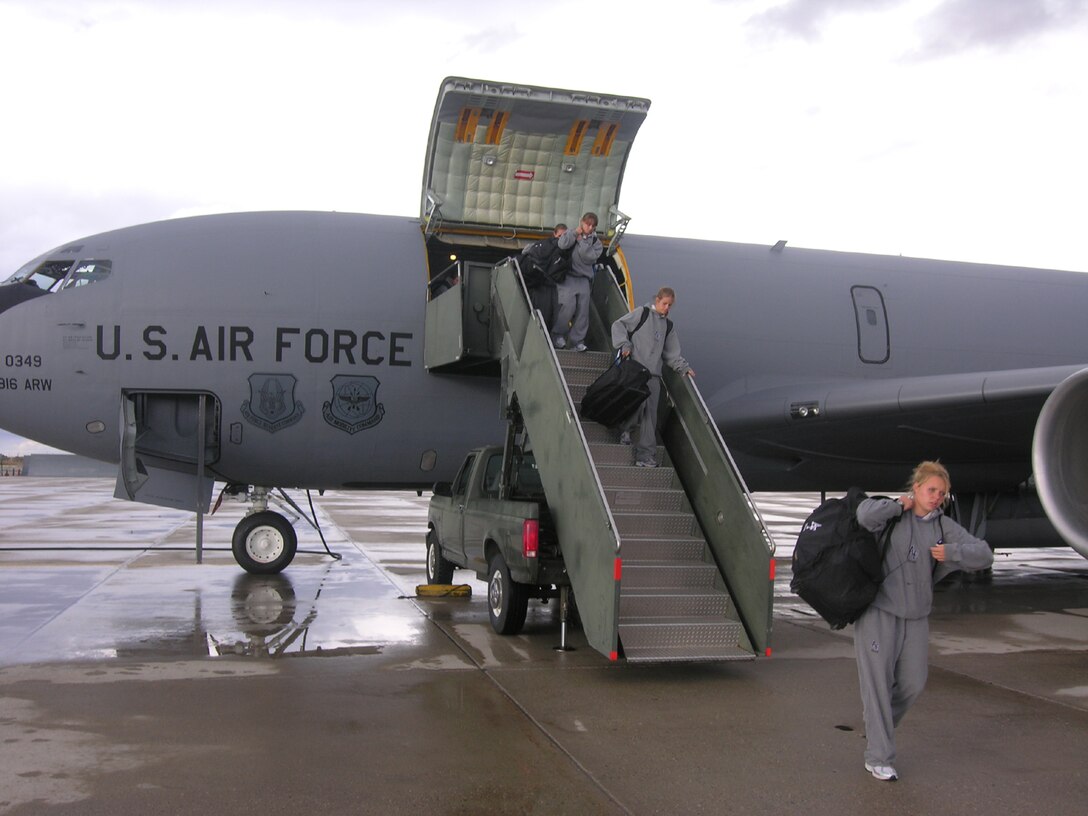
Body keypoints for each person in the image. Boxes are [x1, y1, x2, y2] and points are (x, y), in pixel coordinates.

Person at [853, 461, 994, 782]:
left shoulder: (942, 526)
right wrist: (894, 505)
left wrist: (954, 552)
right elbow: (863, 515)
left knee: (913, 684)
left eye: (941, 494)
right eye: (931, 490)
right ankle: (878, 756)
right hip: (878, 613)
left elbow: (984, 553)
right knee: (876, 686)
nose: (936, 498)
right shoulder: (892, 515)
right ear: (916, 487)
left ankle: (879, 729)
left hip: (916, 618)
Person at [610, 287, 694, 467]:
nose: (667, 308)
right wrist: (624, 345)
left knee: (650, 417)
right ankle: (625, 430)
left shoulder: (668, 326)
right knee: (635, 405)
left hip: (653, 377)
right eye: (664, 303)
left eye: (670, 305)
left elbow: (671, 353)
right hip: (635, 371)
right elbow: (618, 325)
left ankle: (645, 456)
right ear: (657, 300)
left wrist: (683, 368)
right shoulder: (642, 314)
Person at [551, 212, 603, 352]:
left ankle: (576, 341)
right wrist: (575, 234)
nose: (590, 227)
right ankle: (558, 335)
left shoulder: (596, 243)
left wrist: (581, 240)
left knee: (582, 312)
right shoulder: (571, 233)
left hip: (584, 279)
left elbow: (589, 257)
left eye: (593, 225)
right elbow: (561, 244)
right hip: (567, 277)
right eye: (587, 224)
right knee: (567, 307)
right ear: (582, 222)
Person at [519, 223, 567, 328]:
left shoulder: (542, 245)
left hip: (543, 285)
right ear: (554, 234)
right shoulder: (557, 250)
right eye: (560, 236)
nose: (561, 240)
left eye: (564, 237)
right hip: (544, 286)